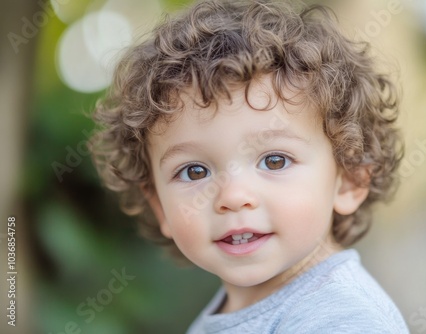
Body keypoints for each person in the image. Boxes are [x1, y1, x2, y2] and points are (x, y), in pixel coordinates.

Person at [89, 0, 409, 332]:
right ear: (159, 205)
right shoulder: (224, 315)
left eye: (275, 160)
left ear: (349, 179)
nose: (233, 196)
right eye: (194, 171)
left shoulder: (341, 317)